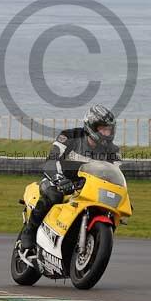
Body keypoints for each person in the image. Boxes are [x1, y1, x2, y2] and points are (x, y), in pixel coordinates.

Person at [20, 103, 122, 252]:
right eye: (103, 129)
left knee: (107, 210)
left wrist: (122, 195)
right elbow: (51, 160)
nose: (107, 133)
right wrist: (59, 179)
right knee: (53, 194)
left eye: (109, 129)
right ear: (92, 127)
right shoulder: (69, 137)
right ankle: (29, 231)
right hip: (58, 180)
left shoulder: (113, 151)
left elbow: (115, 176)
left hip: (87, 188)